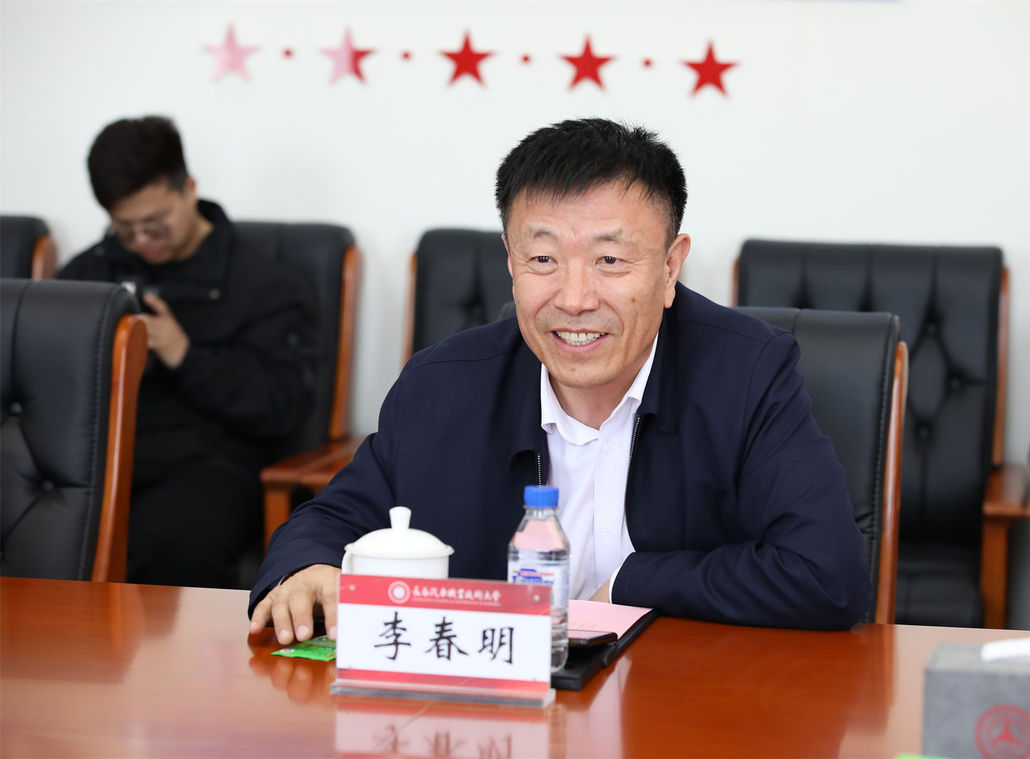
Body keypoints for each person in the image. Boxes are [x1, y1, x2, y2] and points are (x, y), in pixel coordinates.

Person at [249, 118, 870, 643]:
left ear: (670, 267)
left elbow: (826, 576)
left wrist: (632, 583)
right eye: (543, 259)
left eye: (610, 260)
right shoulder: (443, 384)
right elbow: (332, 519)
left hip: (680, 707)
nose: (574, 299)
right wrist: (306, 568)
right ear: (510, 261)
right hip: (496, 712)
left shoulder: (748, 373)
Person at [60, 115, 317, 589]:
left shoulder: (264, 285)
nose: (141, 241)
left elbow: (280, 409)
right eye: (124, 227)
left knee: (168, 545)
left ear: (190, 190)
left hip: (209, 467)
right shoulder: (86, 276)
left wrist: (184, 355)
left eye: (154, 224)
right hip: (96, 460)